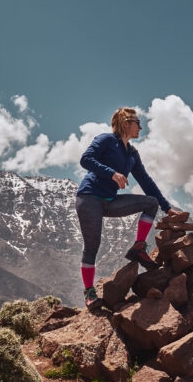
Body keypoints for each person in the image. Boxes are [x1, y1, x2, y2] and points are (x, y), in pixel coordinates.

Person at [76, 107, 181, 309]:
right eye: (137, 123)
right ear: (126, 124)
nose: (140, 127)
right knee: (92, 246)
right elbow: (85, 159)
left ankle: (138, 248)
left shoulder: (132, 153)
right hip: (89, 198)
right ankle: (89, 292)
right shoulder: (105, 140)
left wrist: (166, 207)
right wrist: (111, 173)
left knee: (151, 202)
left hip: (109, 200)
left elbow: (146, 181)